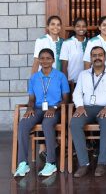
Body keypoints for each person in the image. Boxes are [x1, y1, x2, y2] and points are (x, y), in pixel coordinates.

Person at [14, 49, 69, 177]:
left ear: (53, 60)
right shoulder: (34, 78)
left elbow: (66, 99)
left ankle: (51, 163)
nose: (45, 61)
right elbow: (32, 99)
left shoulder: (60, 76)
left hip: (55, 109)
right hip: (38, 109)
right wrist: (29, 108)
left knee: (47, 123)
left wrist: (54, 107)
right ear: (38, 60)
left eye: (48, 58)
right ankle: (23, 163)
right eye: (42, 58)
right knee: (23, 124)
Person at [70, 46, 106, 177]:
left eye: (100, 55)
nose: (97, 57)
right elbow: (77, 93)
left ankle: (102, 163)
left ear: (105, 58)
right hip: (85, 108)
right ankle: (83, 164)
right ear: (90, 58)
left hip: (105, 108)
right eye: (94, 55)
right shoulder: (83, 74)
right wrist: (79, 106)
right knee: (74, 123)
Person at [31, 15, 65, 161]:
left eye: (58, 24)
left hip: (56, 80)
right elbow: (36, 61)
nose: (55, 27)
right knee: (41, 110)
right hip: (43, 79)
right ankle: (42, 147)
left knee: (53, 113)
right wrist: (33, 80)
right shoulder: (41, 41)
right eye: (52, 24)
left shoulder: (63, 42)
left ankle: (56, 144)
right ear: (48, 26)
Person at [60, 17, 88, 93]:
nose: (81, 28)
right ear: (74, 28)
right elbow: (64, 65)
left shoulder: (90, 42)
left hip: (87, 81)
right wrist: (65, 83)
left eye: (84, 26)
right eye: (78, 26)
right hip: (72, 82)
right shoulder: (67, 43)